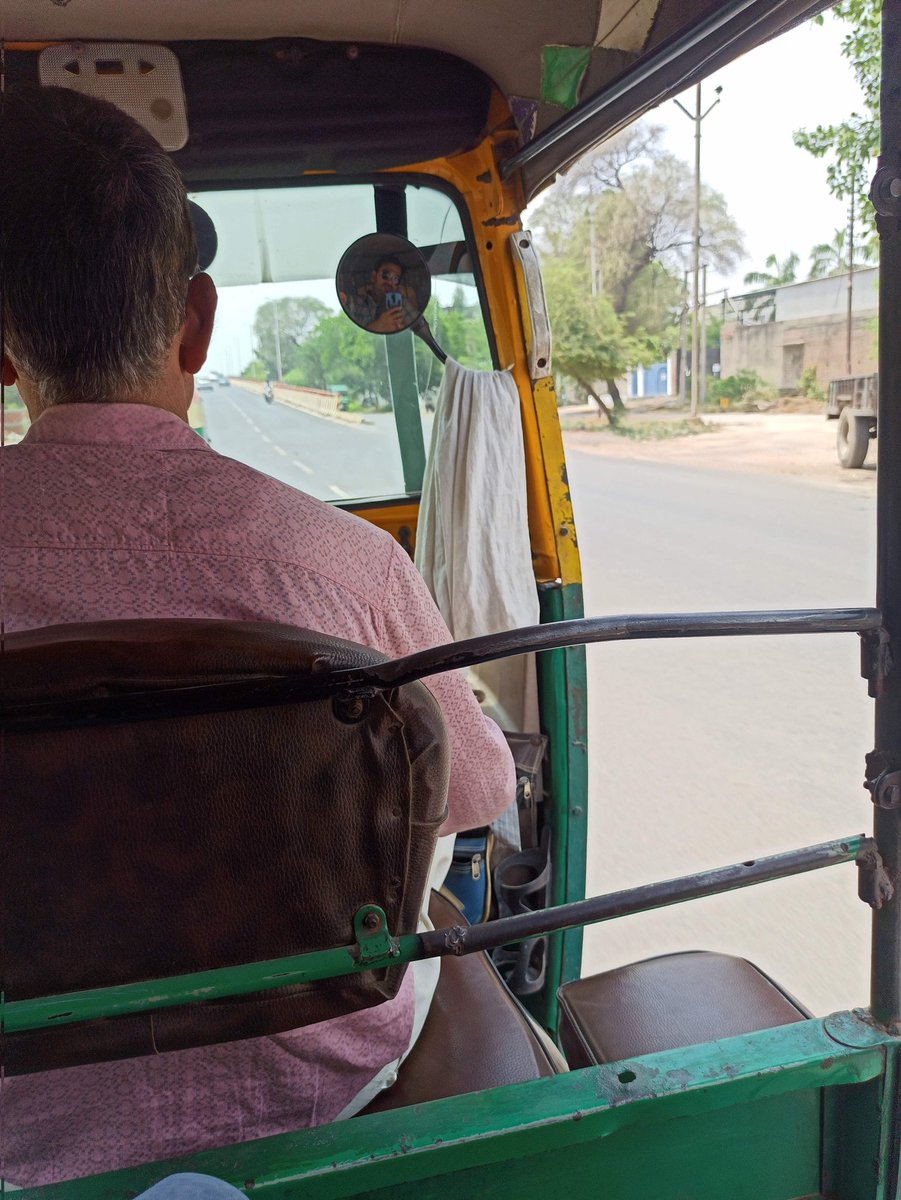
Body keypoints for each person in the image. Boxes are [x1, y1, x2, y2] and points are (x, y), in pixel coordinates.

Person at [0, 85, 515, 1186]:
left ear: (3, 350)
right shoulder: (343, 562)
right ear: (196, 322)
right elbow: (474, 795)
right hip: (328, 1090)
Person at [343, 254, 421, 333]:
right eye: (386, 275)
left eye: (396, 279)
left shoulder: (401, 304)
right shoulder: (357, 304)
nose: (390, 282)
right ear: (374, 276)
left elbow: (420, 325)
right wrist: (378, 326)